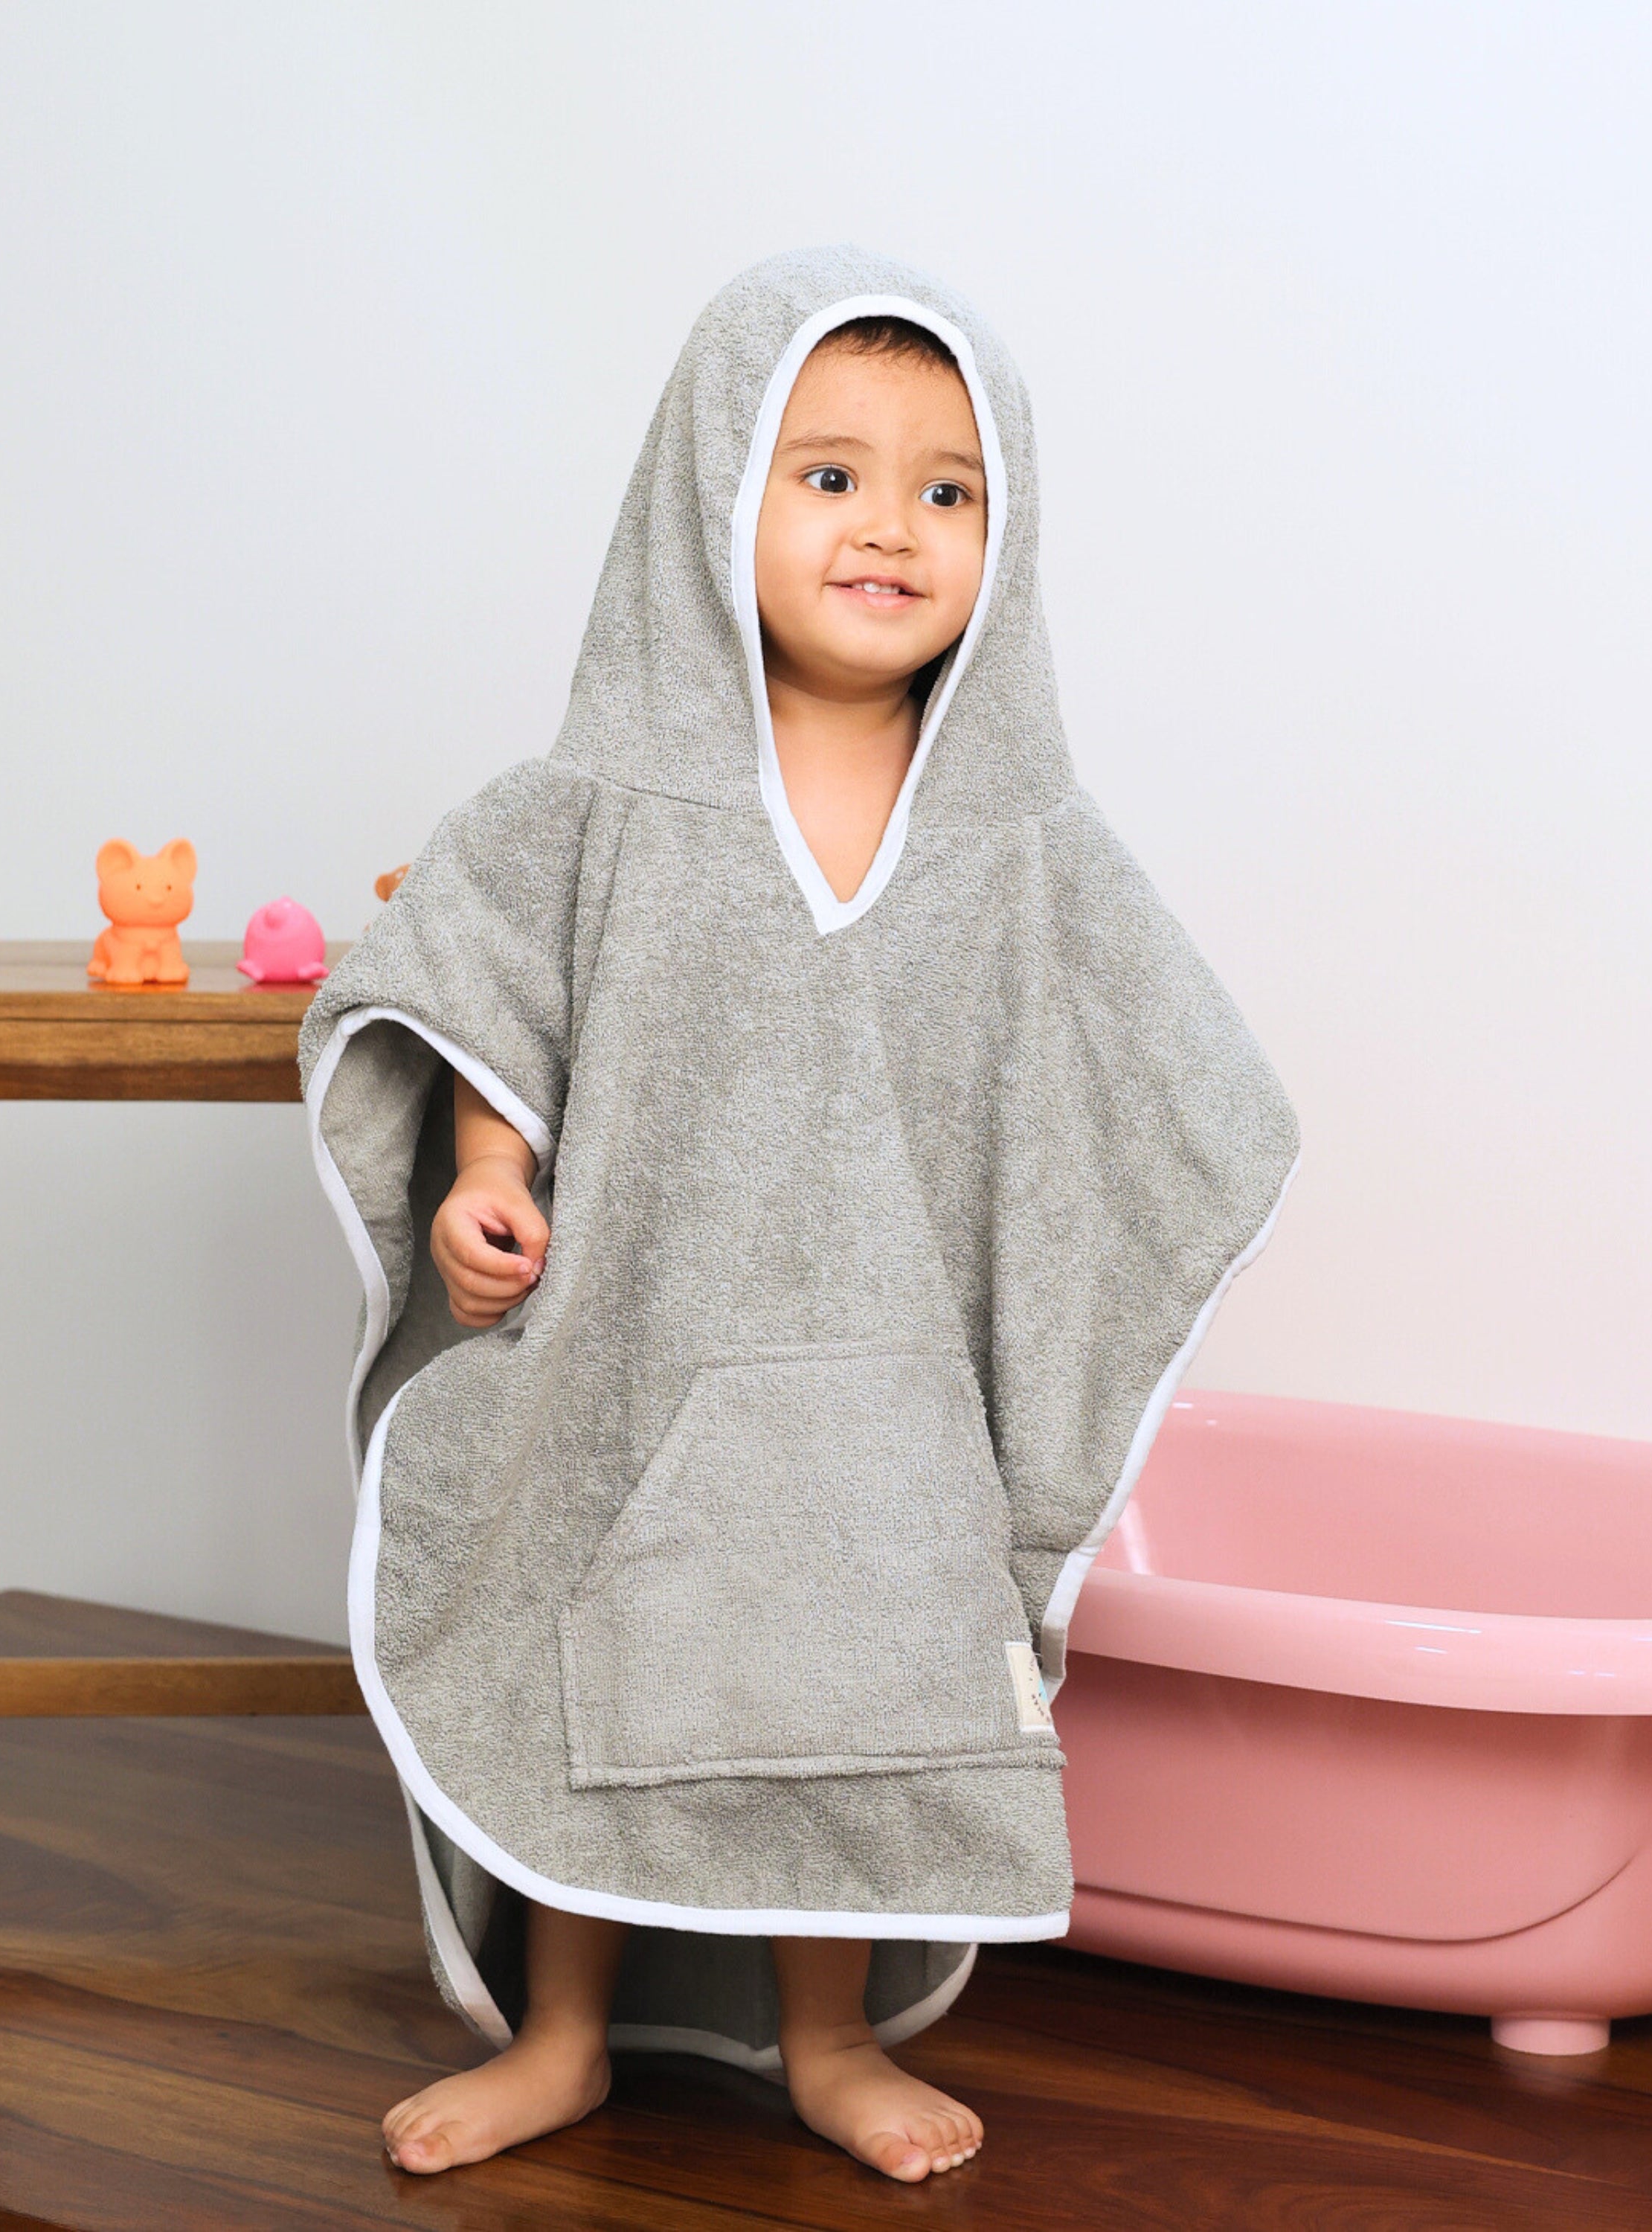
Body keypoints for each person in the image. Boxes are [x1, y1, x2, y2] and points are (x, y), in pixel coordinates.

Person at [301, 247, 1299, 2184]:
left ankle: (824, 2041)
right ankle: (565, 2029)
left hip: (884, 1398)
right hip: (632, 1357)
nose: (891, 528)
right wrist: (490, 1180)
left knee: (860, 1697)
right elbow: (499, 991)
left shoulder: (1018, 838)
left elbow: (1156, 1077)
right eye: (827, 473)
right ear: (711, 499)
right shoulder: (604, 797)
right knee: (591, 1679)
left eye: (948, 488)